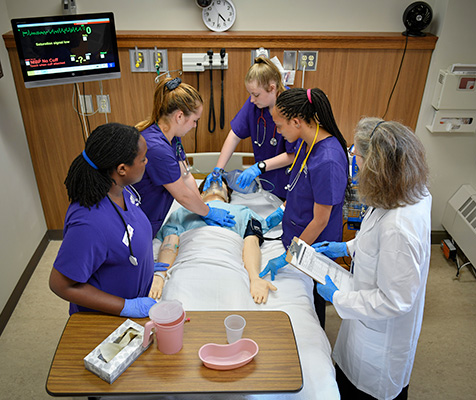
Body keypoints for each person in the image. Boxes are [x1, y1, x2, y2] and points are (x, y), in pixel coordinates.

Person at [314, 118, 431, 400]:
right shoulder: (406, 190)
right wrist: (347, 248)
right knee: (346, 372)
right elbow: (378, 239)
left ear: (378, 166)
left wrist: (338, 297)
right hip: (364, 316)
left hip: (380, 346)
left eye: (358, 157)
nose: (354, 164)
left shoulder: (400, 227)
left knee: (362, 390)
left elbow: (395, 300)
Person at [49, 123, 165, 318]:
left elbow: (123, 236)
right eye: (143, 159)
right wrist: (125, 306)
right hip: (105, 318)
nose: (146, 162)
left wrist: (145, 262)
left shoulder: (121, 190)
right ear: (122, 169)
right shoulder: (89, 224)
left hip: (136, 297)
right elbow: (60, 284)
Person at [258, 87, 351, 329]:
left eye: (279, 126)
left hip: (315, 245)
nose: (278, 132)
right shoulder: (306, 144)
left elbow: (320, 220)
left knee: (315, 303)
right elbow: (300, 184)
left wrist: (289, 257)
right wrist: (282, 212)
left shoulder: (328, 160)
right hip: (297, 235)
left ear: (297, 122)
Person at [133, 76, 235, 238]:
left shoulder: (172, 138)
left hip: (149, 220)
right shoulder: (157, 149)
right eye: (195, 120)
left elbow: (186, 176)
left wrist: (202, 207)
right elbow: (183, 195)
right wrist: (208, 212)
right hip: (135, 225)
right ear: (179, 116)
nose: (195, 126)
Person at [149, 178, 277, 304]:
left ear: (227, 197)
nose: (216, 183)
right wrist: (160, 275)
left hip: (229, 269)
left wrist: (255, 278)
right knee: (178, 312)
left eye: (222, 184)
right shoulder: (183, 211)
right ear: (201, 193)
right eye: (210, 183)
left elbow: (251, 243)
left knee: (236, 313)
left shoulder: (243, 212)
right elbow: (170, 243)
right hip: (189, 267)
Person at [203, 56, 298, 199]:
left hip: (289, 183)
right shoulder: (255, 105)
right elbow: (234, 135)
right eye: (250, 94)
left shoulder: (292, 108)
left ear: (272, 88)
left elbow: (294, 154)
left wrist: (259, 166)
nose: (252, 99)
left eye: (256, 94)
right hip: (268, 183)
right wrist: (219, 168)